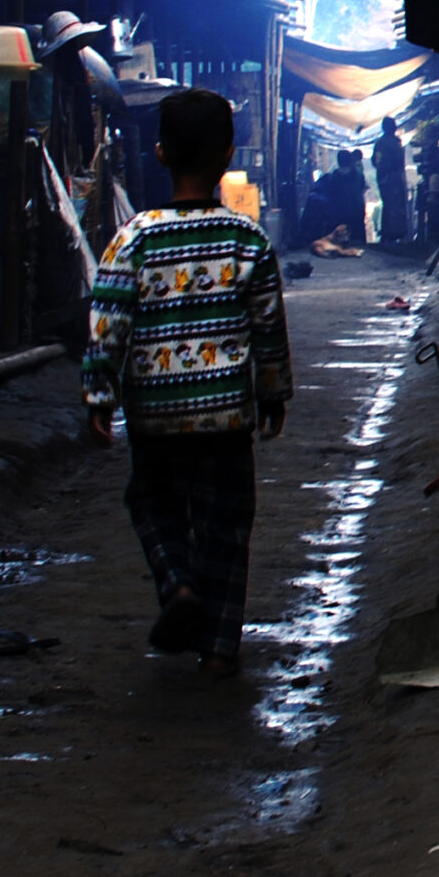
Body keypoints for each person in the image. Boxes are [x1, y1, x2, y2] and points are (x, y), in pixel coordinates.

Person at [82, 88, 292, 679]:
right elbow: (269, 328)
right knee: (227, 523)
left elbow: (108, 322)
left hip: (156, 415)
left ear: (158, 153)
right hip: (227, 416)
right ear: (228, 155)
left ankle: (175, 584)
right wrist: (273, 391)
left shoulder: (134, 239)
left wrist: (99, 393)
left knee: (153, 502)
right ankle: (220, 645)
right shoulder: (246, 240)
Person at [373, 116, 410, 243]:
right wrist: (386, 174)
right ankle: (391, 233)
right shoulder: (386, 143)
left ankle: (393, 233)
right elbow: (378, 161)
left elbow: (376, 161)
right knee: (392, 206)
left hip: (389, 178)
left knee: (392, 206)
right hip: (390, 178)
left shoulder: (386, 142)